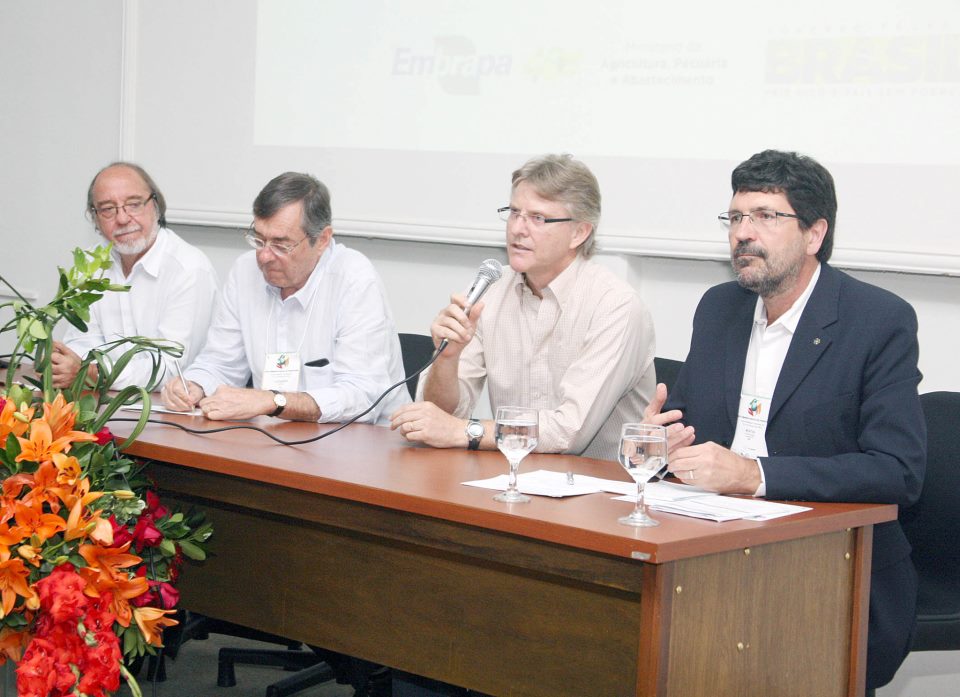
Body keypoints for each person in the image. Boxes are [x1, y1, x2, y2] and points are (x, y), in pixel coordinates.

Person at [649, 149, 925, 690]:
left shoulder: (878, 321)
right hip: (712, 556)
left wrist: (755, 475)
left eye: (764, 217)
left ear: (815, 233)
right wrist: (659, 444)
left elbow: (899, 470)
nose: (742, 234)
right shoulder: (719, 307)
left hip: (828, 571)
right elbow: (688, 436)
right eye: (735, 218)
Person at [390, 153, 656, 458]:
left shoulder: (615, 306)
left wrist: (467, 431)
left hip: (601, 492)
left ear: (579, 233)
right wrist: (446, 360)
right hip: (512, 478)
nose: (518, 228)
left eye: (538, 218)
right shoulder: (489, 290)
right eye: (514, 212)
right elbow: (437, 416)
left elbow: (569, 431)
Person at [161, 171, 408, 423]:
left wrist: (273, 401)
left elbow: (362, 397)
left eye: (281, 245)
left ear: (322, 240)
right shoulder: (245, 271)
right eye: (259, 239)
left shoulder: (354, 279)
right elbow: (220, 362)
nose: (264, 256)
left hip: (363, 443)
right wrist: (194, 385)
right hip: (274, 438)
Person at [52, 162, 218, 390]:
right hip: (99, 400)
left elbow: (169, 368)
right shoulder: (90, 264)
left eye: (133, 204)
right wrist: (70, 365)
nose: (122, 218)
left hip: (170, 412)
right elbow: (80, 342)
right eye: (108, 209)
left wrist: (91, 372)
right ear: (95, 218)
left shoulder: (189, 269)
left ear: (156, 206)